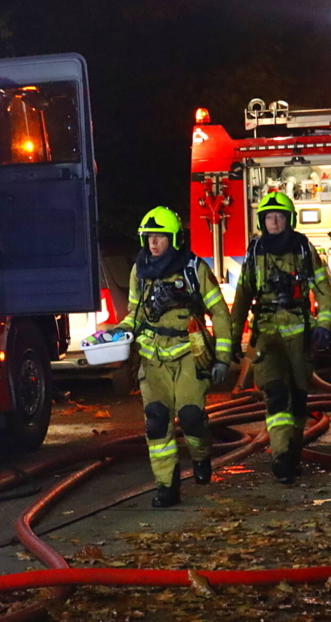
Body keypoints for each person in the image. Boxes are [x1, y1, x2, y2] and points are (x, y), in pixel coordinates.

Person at [113, 206, 232, 508]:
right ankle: (166, 486)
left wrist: (221, 358)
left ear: (174, 239)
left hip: (189, 354)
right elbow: (134, 315)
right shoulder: (140, 271)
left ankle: (202, 456)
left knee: (192, 417)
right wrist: (116, 334)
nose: (153, 243)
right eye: (150, 237)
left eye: (160, 237)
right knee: (156, 421)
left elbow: (219, 312)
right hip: (153, 359)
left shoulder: (194, 269)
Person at [230, 192, 331, 483]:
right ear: (262, 221)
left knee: (299, 398)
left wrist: (324, 324)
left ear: (289, 220)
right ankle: (281, 456)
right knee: (276, 393)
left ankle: (292, 450)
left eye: (279, 217)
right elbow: (242, 298)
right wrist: (232, 339)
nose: (273, 221)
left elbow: (324, 290)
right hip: (266, 333)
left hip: (299, 334)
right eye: (268, 217)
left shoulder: (303, 249)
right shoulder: (254, 252)